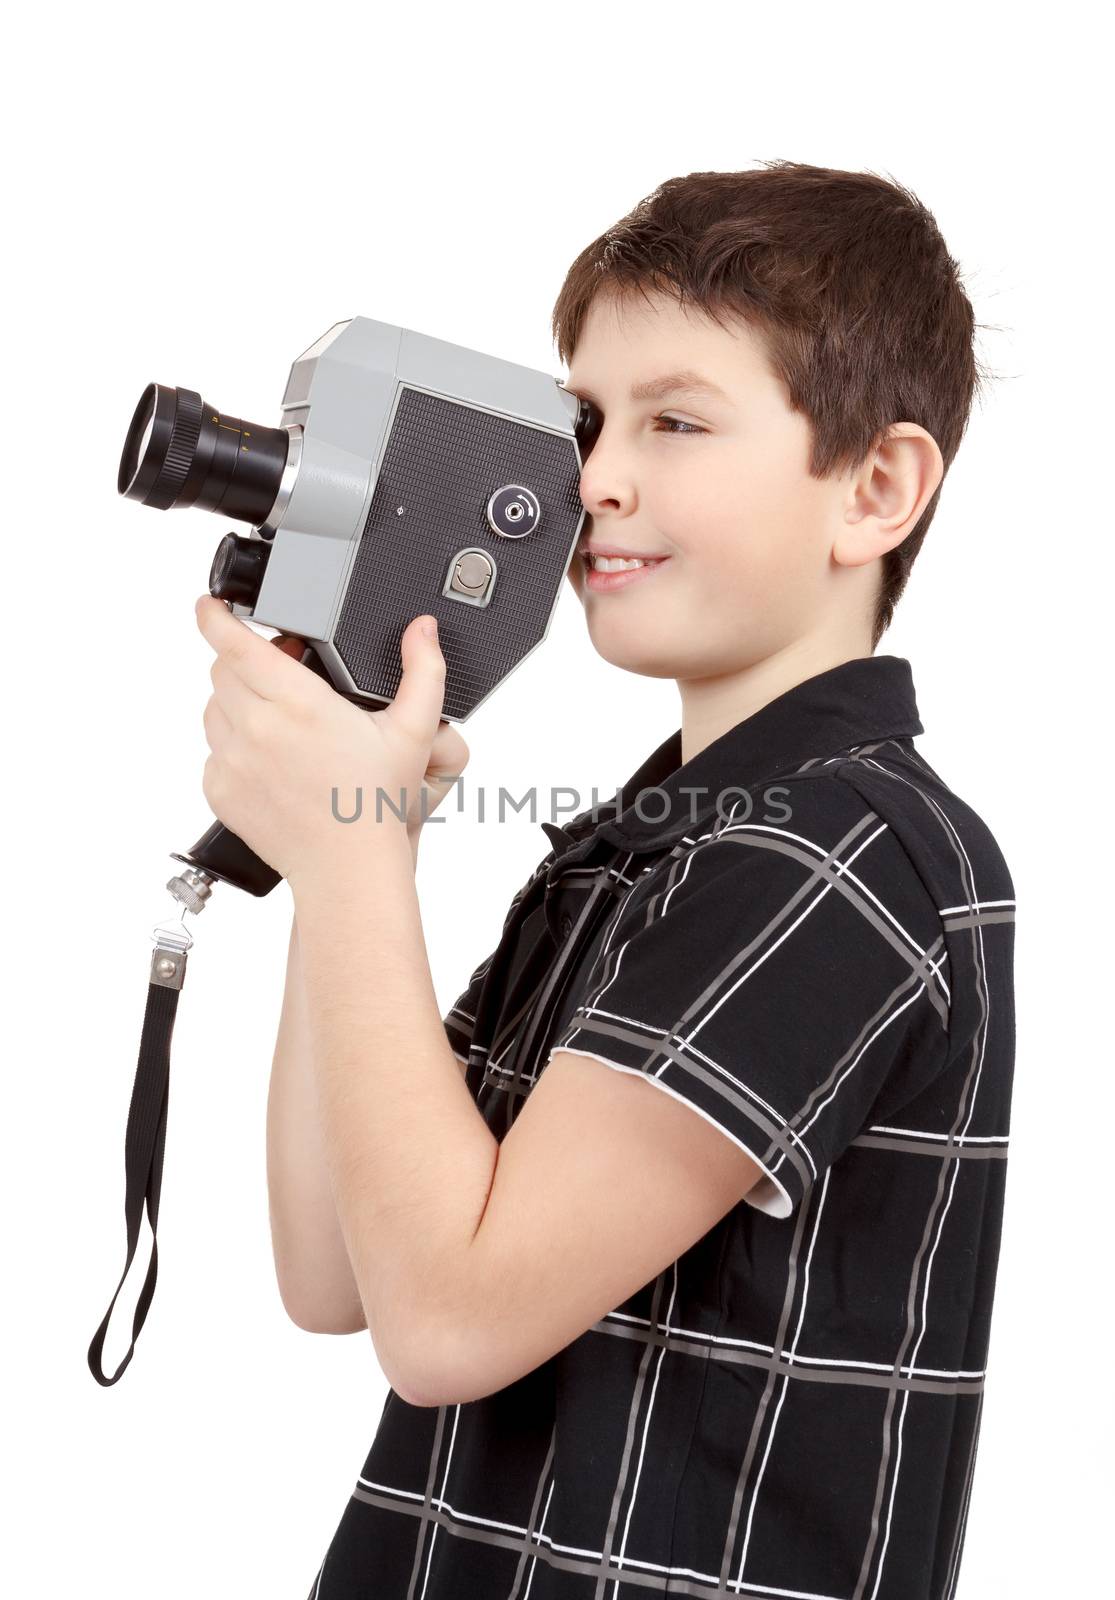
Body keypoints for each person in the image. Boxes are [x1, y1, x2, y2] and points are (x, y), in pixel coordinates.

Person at [248, 162, 1016, 1599]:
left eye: (676, 420)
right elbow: (337, 1271)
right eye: (589, 419)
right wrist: (349, 829)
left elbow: (448, 1324)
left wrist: (353, 863)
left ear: (876, 488)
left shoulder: (845, 852)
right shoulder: (639, 848)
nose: (595, 476)